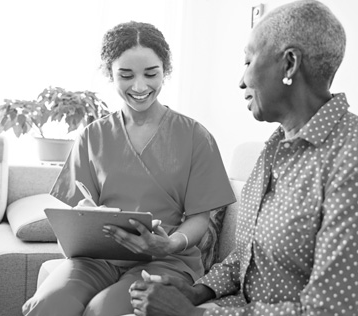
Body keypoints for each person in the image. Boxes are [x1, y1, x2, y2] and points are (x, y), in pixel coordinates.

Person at [127, 1, 358, 315]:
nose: (241, 80)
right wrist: (197, 291)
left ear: (289, 64)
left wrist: (195, 313)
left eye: (248, 61)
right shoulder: (274, 148)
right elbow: (249, 256)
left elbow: (333, 309)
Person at [22, 21, 236, 316]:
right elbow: (78, 207)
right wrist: (83, 224)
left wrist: (170, 245)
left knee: (103, 310)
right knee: (48, 304)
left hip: (166, 260)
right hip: (98, 258)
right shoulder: (92, 136)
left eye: (151, 74)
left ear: (166, 70)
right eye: (126, 75)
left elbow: (200, 218)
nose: (139, 87)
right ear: (110, 73)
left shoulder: (195, 136)